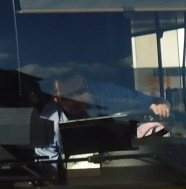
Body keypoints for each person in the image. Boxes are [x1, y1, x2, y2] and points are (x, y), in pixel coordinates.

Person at [36, 67, 171, 161]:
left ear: (87, 85)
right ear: (55, 98)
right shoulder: (47, 121)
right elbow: (49, 167)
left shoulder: (107, 94)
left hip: (123, 162)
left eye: (81, 91)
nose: (77, 99)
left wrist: (160, 106)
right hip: (76, 177)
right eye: (68, 96)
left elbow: (151, 102)